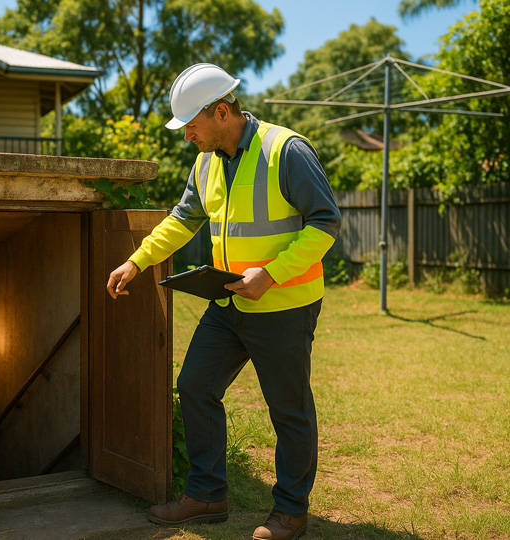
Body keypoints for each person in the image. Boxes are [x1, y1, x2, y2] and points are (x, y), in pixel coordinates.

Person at [106, 63, 341, 540]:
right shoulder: (205, 162)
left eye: (191, 125)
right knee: (195, 385)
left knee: (288, 409)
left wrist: (271, 274)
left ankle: (291, 511)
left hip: (284, 306)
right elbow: (183, 218)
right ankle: (208, 495)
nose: (187, 135)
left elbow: (325, 223)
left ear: (220, 112)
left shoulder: (286, 150)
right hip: (228, 304)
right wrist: (138, 259)